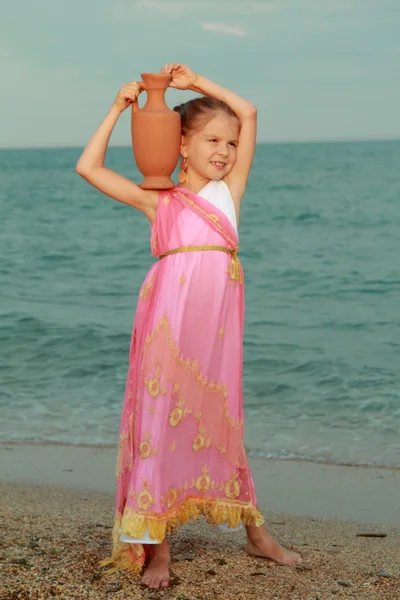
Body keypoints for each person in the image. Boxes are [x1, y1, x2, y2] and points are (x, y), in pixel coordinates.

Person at [76, 63, 301, 590]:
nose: (224, 150)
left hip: (217, 331)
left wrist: (197, 83)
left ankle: (256, 533)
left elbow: (247, 110)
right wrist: (117, 108)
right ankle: (158, 550)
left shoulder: (230, 193)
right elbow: (89, 167)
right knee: (158, 425)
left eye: (231, 142)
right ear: (182, 144)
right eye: (212, 140)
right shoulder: (161, 204)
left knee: (225, 421)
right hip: (166, 327)